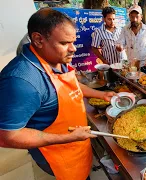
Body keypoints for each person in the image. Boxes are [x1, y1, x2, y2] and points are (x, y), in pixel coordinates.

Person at [0, 8, 115, 180]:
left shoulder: (55, 58)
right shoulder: (21, 81)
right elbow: (8, 136)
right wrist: (66, 137)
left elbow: (70, 85)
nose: (73, 49)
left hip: (77, 144)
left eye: (73, 42)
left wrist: (101, 95)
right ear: (38, 39)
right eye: (64, 43)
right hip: (56, 155)